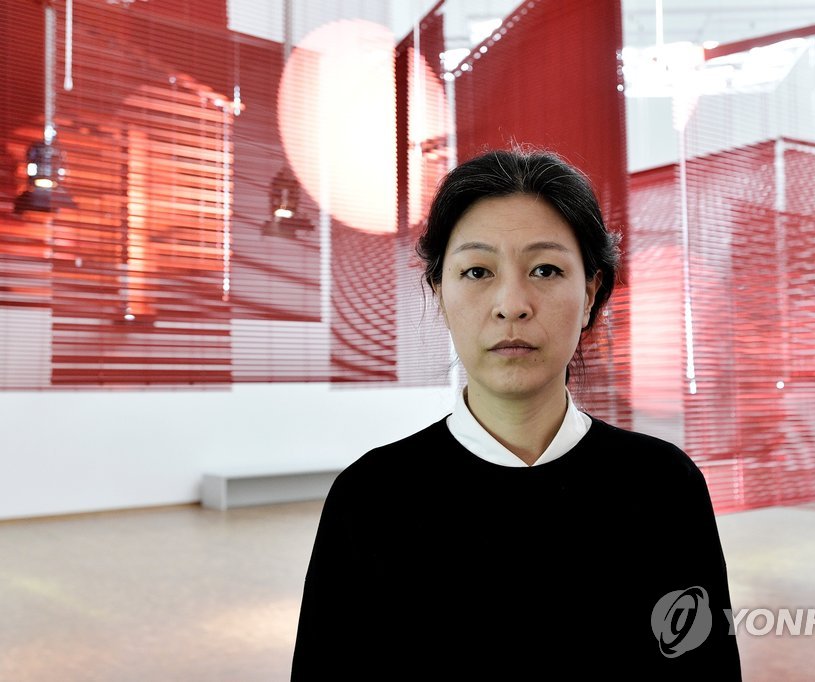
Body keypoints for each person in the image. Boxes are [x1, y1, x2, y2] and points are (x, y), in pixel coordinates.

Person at [291, 148, 742, 677]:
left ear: (590, 292)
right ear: (440, 293)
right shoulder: (370, 499)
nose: (512, 304)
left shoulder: (664, 487)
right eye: (477, 271)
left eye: (545, 269)